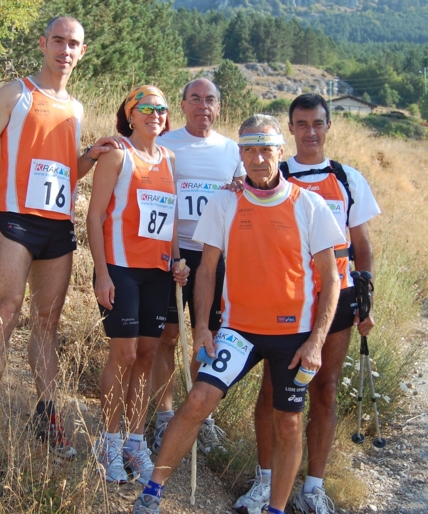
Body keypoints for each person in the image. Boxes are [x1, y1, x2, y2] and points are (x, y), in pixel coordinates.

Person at [132, 114, 345, 514]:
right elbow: (206, 271)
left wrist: (316, 341)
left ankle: (276, 509)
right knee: (197, 400)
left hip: (293, 337)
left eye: (267, 149)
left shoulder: (310, 205)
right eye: (250, 150)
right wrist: (201, 330)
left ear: (280, 152)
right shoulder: (226, 201)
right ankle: (151, 493)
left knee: (287, 423)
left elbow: (330, 280)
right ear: (241, 155)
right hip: (238, 332)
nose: (259, 159)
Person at [0, 16, 115, 458]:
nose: (65, 49)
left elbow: (65, 173)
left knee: (47, 324)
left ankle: (46, 419)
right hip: (16, 221)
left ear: (82, 52)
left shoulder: (78, 108)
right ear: (44, 44)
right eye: (58, 41)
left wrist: (91, 157)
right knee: (5, 310)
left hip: (57, 227)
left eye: (74, 44)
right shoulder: (16, 92)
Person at [235, 94, 381, 514]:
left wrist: (366, 299)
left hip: (338, 296)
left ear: (328, 126)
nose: (310, 132)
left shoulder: (347, 177)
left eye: (317, 123)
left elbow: (362, 247)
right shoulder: (268, 171)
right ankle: (264, 483)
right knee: (270, 393)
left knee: (326, 388)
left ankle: (312, 488)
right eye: (301, 124)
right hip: (285, 295)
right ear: (290, 129)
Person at [87, 85, 190, 485]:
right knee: (124, 354)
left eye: (161, 109)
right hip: (121, 268)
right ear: (130, 114)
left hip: (157, 272)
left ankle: (134, 441)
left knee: (147, 356)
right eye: (145, 108)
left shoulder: (169, 157)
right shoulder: (117, 154)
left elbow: (172, 219)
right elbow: (95, 217)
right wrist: (102, 273)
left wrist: (178, 259)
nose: (155, 114)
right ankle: (109, 441)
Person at [151, 78, 246, 455]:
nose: (202, 106)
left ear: (219, 107)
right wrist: (173, 255)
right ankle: (163, 416)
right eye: (195, 99)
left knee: (205, 338)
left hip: (216, 259)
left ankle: (200, 417)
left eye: (210, 100)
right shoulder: (165, 143)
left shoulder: (232, 150)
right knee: (168, 337)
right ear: (183, 104)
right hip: (173, 255)